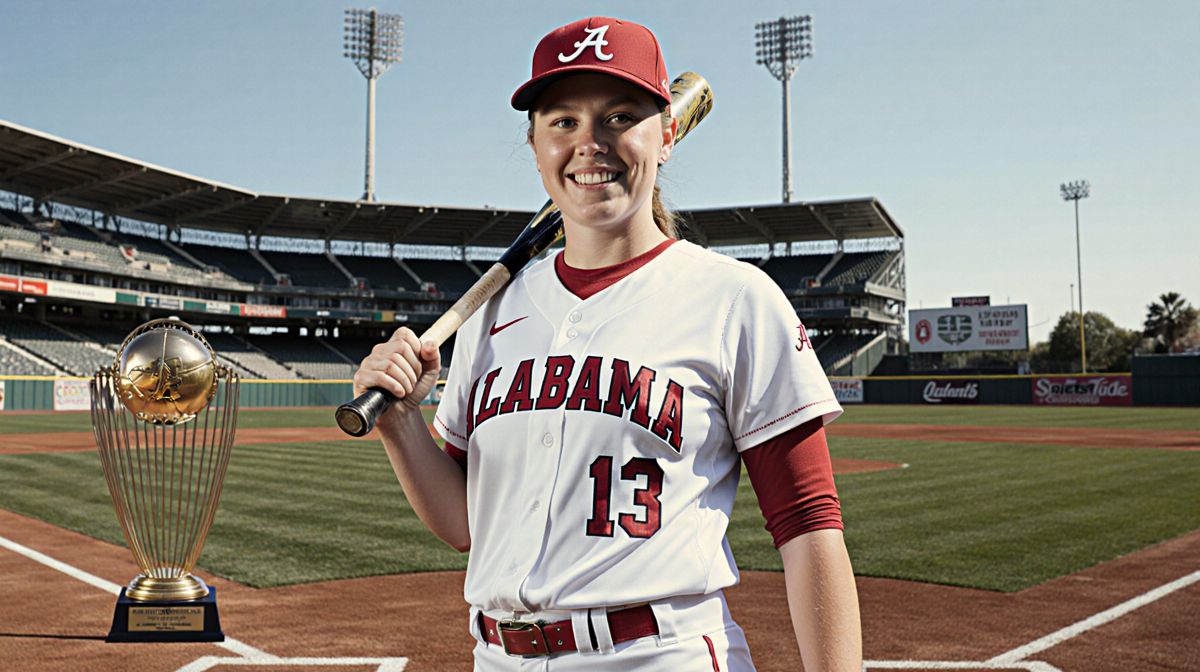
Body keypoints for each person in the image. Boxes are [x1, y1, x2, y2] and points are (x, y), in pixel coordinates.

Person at [353, 16, 862, 671]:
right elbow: (466, 528)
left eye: (620, 116)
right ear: (535, 146)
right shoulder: (491, 313)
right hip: (496, 656)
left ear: (668, 133)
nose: (589, 142)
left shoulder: (733, 297)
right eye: (562, 121)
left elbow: (809, 525)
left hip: (658, 655)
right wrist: (401, 422)